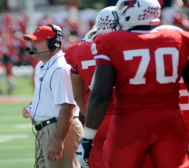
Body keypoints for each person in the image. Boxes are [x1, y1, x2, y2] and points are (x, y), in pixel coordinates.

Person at [77, 0, 189, 167]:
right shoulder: (177, 38)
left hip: (129, 119)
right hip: (169, 119)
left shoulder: (111, 41)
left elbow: (100, 94)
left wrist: (87, 138)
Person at [22, 24, 83, 168]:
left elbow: (68, 106)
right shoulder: (42, 65)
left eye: (37, 42)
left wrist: (58, 141)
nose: (32, 45)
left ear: (53, 43)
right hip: (45, 130)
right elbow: (52, 95)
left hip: (59, 129)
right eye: (32, 41)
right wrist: (33, 106)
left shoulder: (60, 68)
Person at [66, 6, 117, 168]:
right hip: (129, 116)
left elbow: (78, 94)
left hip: (96, 119)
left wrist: (90, 116)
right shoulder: (132, 46)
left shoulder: (78, 51)